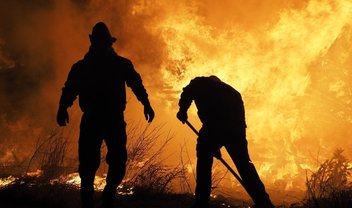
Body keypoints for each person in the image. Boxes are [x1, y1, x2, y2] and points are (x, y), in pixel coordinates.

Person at [56, 22, 155, 208]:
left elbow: (136, 84)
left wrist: (147, 104)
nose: (101, 45)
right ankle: (91, 200)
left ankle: (108, 193)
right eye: (100, 42)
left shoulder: (115, 65)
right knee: (90, 163)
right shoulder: (86, 66)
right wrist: (62, 107)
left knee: (114, 159)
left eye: (103, 42)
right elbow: (70, 89)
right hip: (101, 119)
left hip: (108, 119)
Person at [176, 75, 274, 208]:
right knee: (244, 165)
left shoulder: (199, 83)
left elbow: (188, 93)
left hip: (218, 125)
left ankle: (202, 203)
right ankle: (264, 202)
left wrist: (182, 110)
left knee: (204, 156)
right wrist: (217, 144)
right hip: (235, 130)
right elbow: (239, 125)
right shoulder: (233, 93)